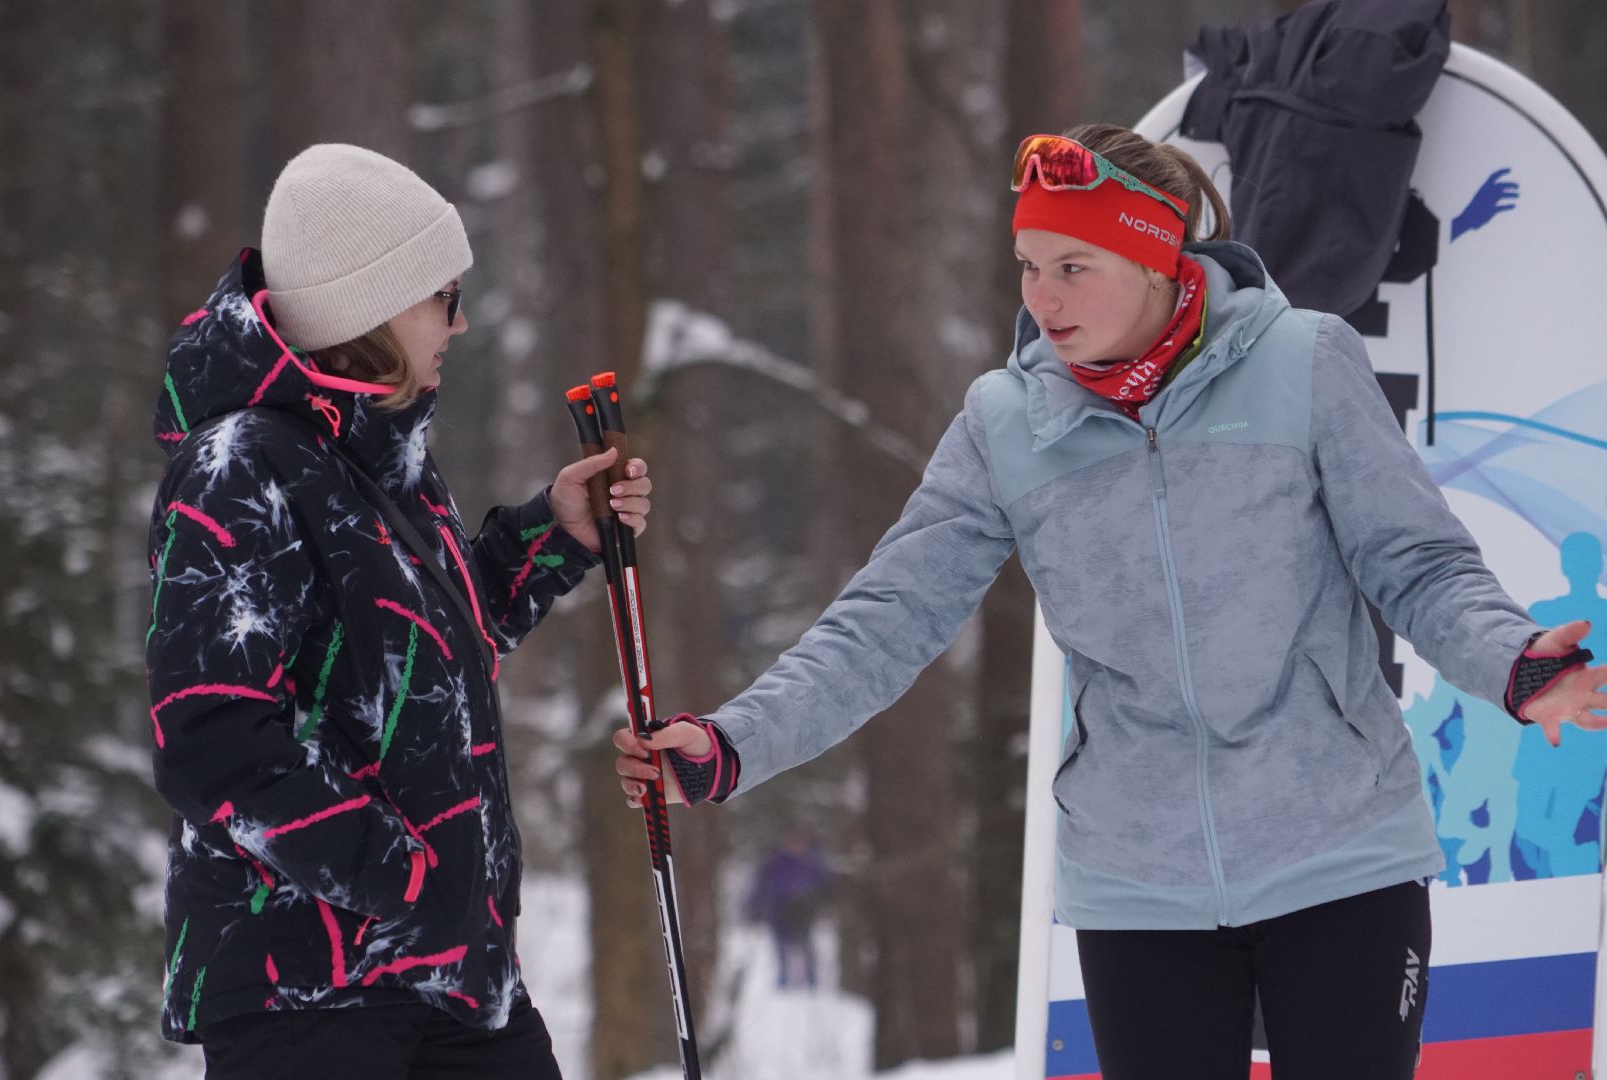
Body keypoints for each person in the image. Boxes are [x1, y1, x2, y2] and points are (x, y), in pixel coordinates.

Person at [615, 123, 1607, 1079]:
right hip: (1141, 888)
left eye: (1072, 266)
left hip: (1339, 855)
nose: (1041, 297)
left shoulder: (1304, 362)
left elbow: (1416, 561)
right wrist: (736, 741)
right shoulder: (1008, 424)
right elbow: (889, 616)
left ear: (1155, 257)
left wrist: (1513, 665)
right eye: (1027, 265)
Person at [148, 143, 652, 1080]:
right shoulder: (238, 469)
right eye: (443, 298)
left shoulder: (371, 455)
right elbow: (210, 738)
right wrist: (400, 877)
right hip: (310, 992)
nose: (458, 326)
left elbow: (418, 662)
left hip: (452, 975)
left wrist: (556, 532)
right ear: (370, 306)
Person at [746, 831, 831, 989]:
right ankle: (783, 978)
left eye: (800, 843)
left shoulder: (812, 862)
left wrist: (818, 903)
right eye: (793, 842)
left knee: (807, 945)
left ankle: (811, 979)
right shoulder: (775, 862)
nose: (797, 846)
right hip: (779, 912)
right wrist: (756, 908)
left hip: (804, 912)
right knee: (780, 947)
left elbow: (824, 885)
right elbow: (762, 886)